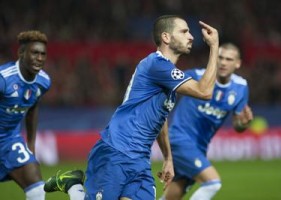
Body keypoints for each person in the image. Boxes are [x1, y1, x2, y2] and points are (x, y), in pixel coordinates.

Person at [44, 15, 219, 200]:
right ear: (166, 37)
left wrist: (168, 158)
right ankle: (73, 186)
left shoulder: (167, 77)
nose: (191, 36)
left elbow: (160, 118)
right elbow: (204, 91)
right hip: (116, 151)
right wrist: (214, 47)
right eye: (184, 31)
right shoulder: (156, 65)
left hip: (140, 160)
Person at [160, 43, 254, 200]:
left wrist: (243, 124)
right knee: (213, 182)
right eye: (220, 57)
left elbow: (237, 125)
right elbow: (165, 87)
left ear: (237, 63)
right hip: (179, 138)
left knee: (173, 195)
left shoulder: (241, 87)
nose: (223, 62)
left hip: (200, 147)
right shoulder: (196, 76)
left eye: (229, 59)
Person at [0, 30, 51, 200]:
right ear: (21, 53)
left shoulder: (43, 82)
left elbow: (32, 108)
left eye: (43, 54)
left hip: (9, 140)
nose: (39, 58)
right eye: (34, 52)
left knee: (37, 188)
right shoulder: (4, 80)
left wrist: (30, 144)